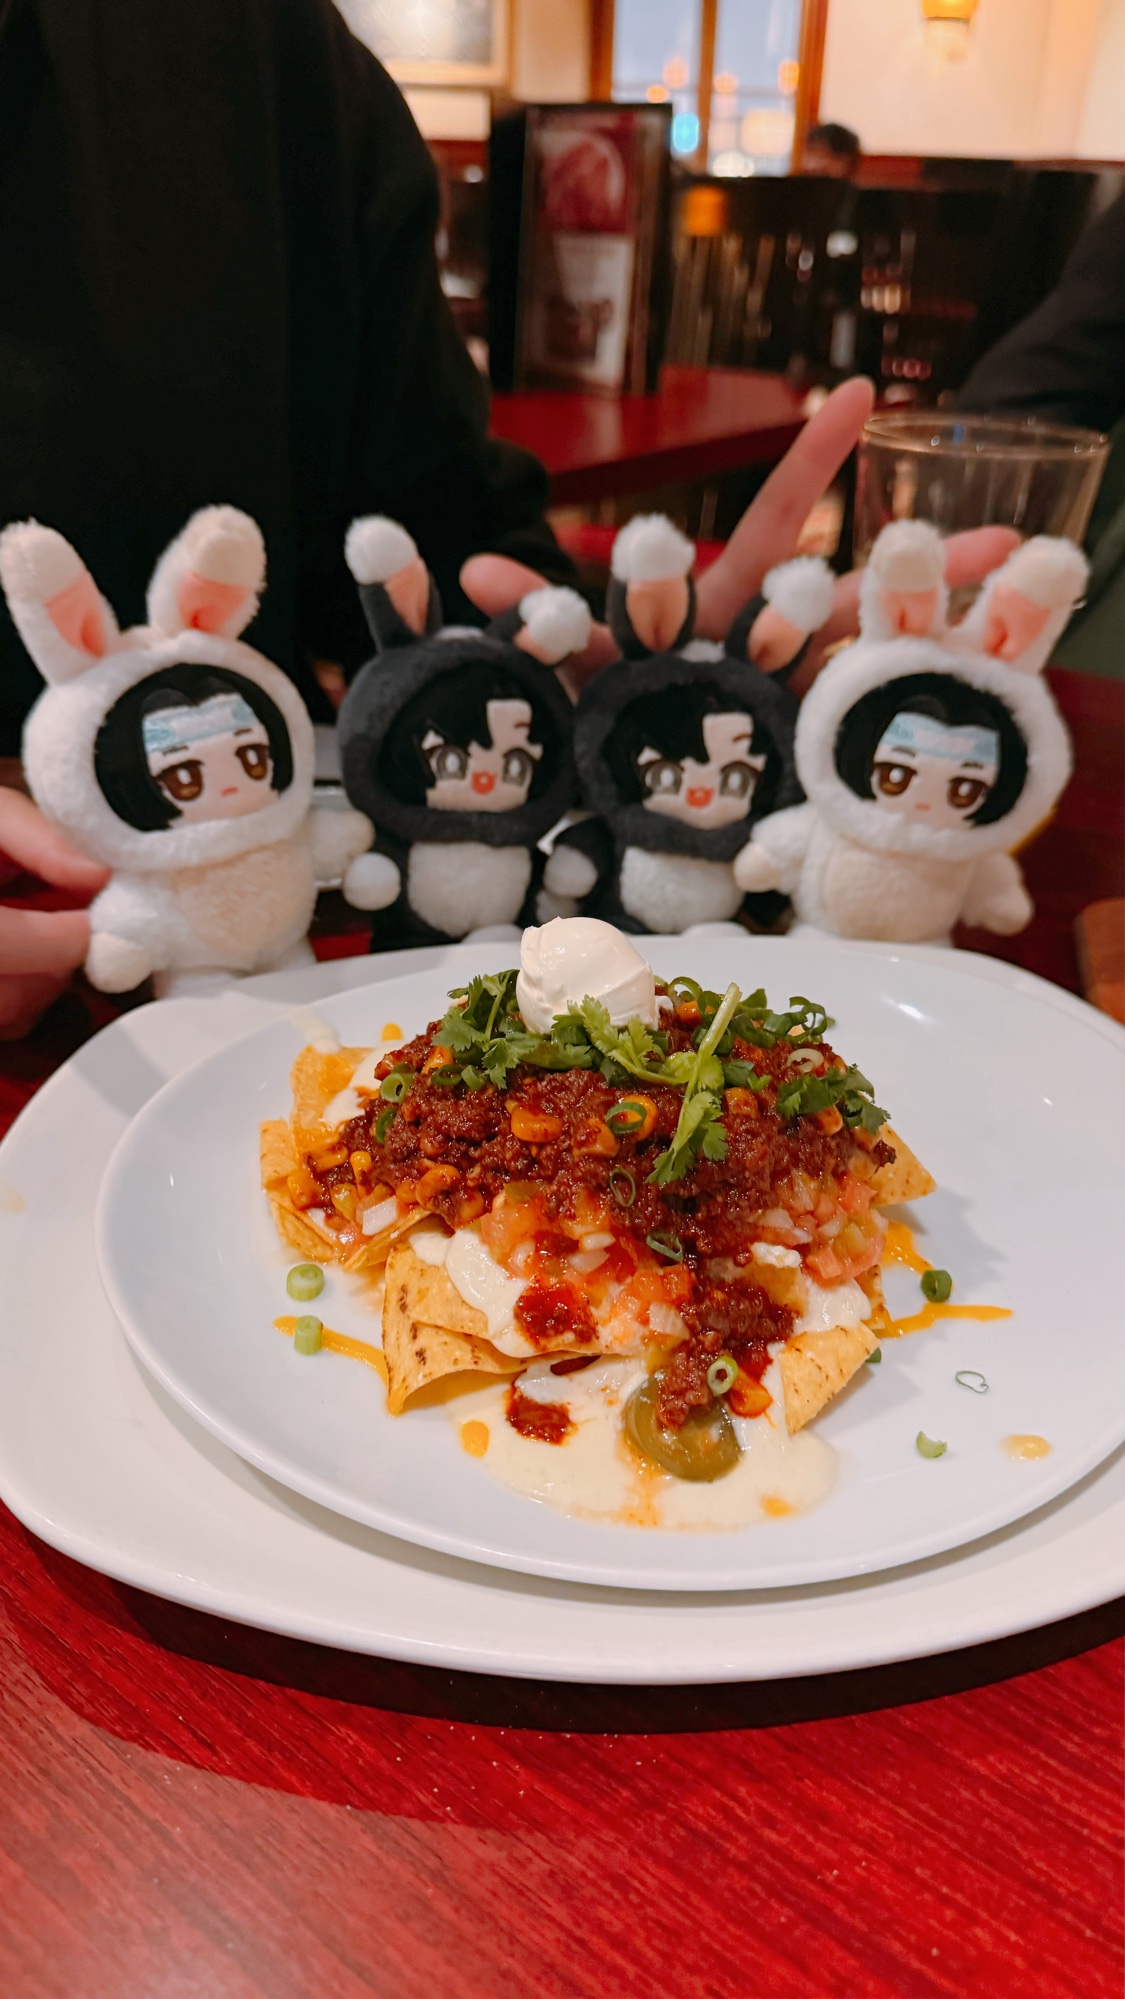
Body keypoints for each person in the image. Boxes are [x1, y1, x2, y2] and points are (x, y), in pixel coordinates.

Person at [0, 1, 1012, 1035]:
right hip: (154, 959)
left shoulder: (257, 44)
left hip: (299, 966)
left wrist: (612, 681)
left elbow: (437, 520)